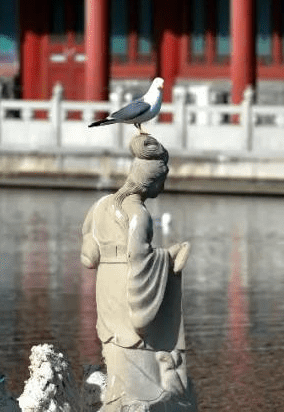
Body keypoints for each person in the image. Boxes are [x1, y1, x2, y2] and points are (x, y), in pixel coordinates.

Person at [81, 134, 195, 412]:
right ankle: (136, 403)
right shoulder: (138, 214)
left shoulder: (100, 206)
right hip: (128, 285)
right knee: (137, 350)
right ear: (151, 181)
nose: (163, 188)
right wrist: (168, 257)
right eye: (162, 182)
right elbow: (140, 260)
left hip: (106, 283)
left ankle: (116, 400)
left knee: (114, 348)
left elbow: (88, 257)